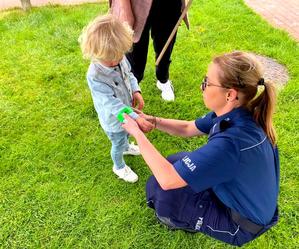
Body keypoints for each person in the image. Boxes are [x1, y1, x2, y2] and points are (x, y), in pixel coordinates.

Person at [121, 51, 280, 246]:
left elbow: (167, 180)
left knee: (161, 193)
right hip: (251, 199)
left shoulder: (230, 144)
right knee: (176, 160)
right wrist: (153, 121)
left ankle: (177, 220)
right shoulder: (240, 112)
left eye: (207, 82)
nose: (201, 86)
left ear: (230, 94)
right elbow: (188, 128)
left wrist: (137, 133)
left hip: (241, 223)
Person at [79, 14, 154, 183]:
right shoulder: (95, 76)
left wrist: (136, 91)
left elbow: (129, 75)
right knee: (118, 141)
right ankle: (118, 166)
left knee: (126, 137)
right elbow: (111, 104)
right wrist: (135, 118)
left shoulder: (119, 58)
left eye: (119, 55)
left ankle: (127, 147)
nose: (116, 61)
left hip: (127, 109)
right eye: (109, 59)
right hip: (114, 120)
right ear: (95, 53)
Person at [110, 0, 187, 101]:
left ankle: (163, 79)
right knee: (135, 54)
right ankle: (131, 87)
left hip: (169, 4)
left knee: (165, 47)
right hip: (136, 3)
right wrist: (124, 8)